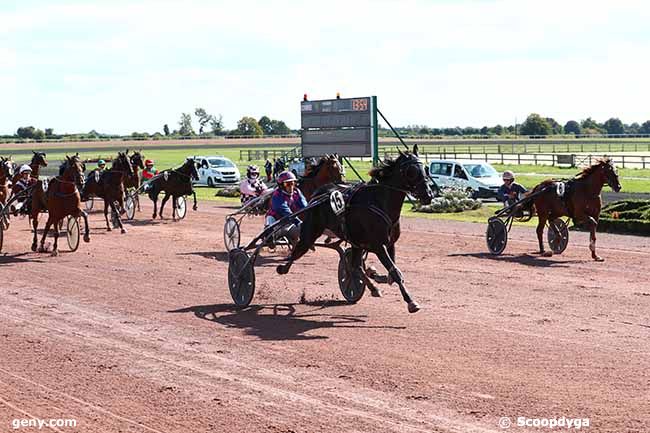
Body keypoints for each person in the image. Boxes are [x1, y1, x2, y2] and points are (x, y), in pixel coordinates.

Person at [265, 171, 307, 246]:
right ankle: (269, 237)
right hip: (276, 221)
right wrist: (297, 221)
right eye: (287, 184)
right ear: (281, 185)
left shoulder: (297, 192)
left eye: (292, 183)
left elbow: (304, 206)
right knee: (270, 218)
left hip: (290, 220)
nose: (291, 186)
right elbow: (283, 209)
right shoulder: (277, 194)